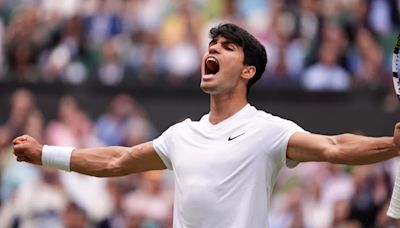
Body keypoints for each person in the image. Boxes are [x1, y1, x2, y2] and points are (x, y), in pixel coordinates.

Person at [12, 23, 400, 228]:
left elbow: (334, 146)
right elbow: (117, 160)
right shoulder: (181, 134)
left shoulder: (267, 130)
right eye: (212, 44)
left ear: (248, 70)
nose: (212, 49)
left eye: (227, 47)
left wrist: (392, 146)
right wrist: (45, 154)